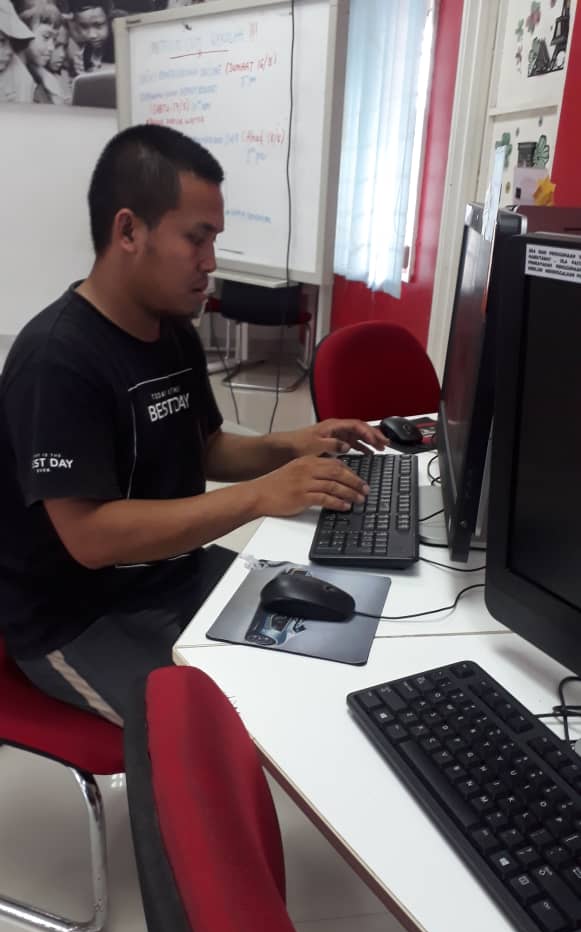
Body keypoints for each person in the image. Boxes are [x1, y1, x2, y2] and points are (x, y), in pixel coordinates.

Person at [0, 124, 387, 726]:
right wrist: (260, 496)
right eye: (196, 238)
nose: (211, 262)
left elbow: (204, 448)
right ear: (129, 231)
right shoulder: (56, 359)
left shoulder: (172, 329)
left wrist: (295, 446)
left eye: (214, 240)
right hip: (75, 620)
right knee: (208, 736)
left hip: (171, 572)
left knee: (338, 642)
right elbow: (91, 538)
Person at [19, 0, 61, 102]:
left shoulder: (39, 75)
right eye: (46, 37)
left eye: (54, 40)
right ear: (23, 30)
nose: (52, 47)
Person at [0, 0, 35, 103]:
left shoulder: (19, 74)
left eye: (12, 43)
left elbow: (24, 83)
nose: (10, 51)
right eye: (1, 41)